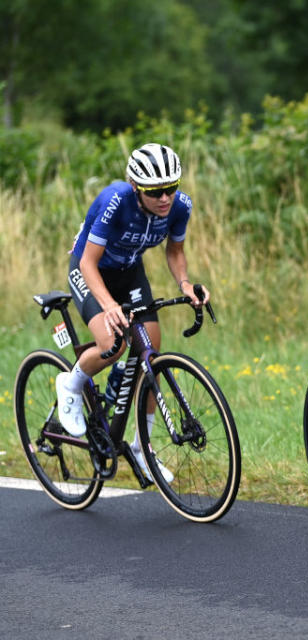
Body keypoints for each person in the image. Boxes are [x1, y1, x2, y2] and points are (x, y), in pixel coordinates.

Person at [57, 143, 209, 484]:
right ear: (136, 186)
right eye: (156, 191)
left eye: (171, 187)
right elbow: (87, 262)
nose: (165, 198)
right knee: (113, 343)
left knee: (150, 353)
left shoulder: (179, 206)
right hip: (91, 270)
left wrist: (184, 283)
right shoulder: (115, 200)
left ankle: (142, 449)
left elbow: (175, 250)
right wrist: (109, 305)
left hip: (128, 272)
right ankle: (71, 383)